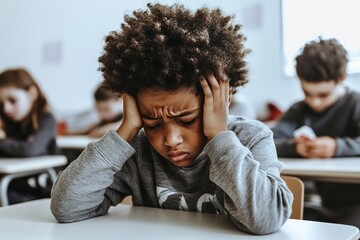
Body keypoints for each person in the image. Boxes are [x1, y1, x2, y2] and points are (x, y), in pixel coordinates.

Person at [50, 3, 292, 234]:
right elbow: (67, 208)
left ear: (220, 101)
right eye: (153, 123)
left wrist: (219, 135)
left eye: (186, 120)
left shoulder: (250, 138)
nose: (171, 139)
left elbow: (266, 219)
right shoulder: (138, 150)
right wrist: (127, 128)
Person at [272, 38, 360, 227]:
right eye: (307, 93)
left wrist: (337, 147)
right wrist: (296, 148)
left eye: (323, 95)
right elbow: (269, 140)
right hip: (324, 205)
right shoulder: (299, 110)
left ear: (342, 78)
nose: (315, 102)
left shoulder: (356, 104)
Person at [0, 68, 59, 204]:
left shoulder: (46, 119)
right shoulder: (10, 123)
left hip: (42, 192)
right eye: (1, 104)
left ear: (32, 94)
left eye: (12, 100)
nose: (6, 109)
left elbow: (30, 149)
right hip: (14, 185)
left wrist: (2, 139)